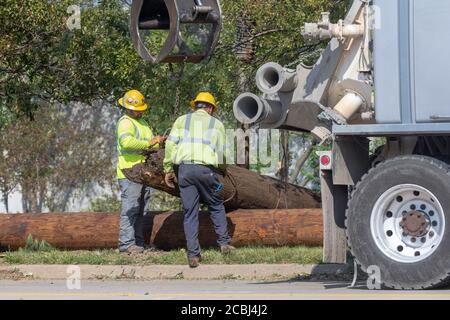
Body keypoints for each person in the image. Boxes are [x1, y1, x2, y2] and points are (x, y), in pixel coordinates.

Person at [163, 92, 234, 268]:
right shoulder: (216, 124)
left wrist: (167, 169)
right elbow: (222, 152)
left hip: (185, 172)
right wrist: (224, 169)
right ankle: (224, 244)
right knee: (216, 204)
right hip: (207, 173)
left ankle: (193, 255)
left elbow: (170, 145)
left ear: (196, 106)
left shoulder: (182, 120)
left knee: (190, 213)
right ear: (210, 108)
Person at [116, 89, 166, 254]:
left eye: (139, 110)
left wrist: (159, 142)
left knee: (140, 210)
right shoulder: (125, 122)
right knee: (130, 209)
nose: (138, 112)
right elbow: (127, 142)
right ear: (128, 108)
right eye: (136, 110)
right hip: (129, 172)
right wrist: (151, 142)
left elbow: (149, 144)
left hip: (142, 173)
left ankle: (137, 243)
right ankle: (126, 245)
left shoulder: (142, 123)